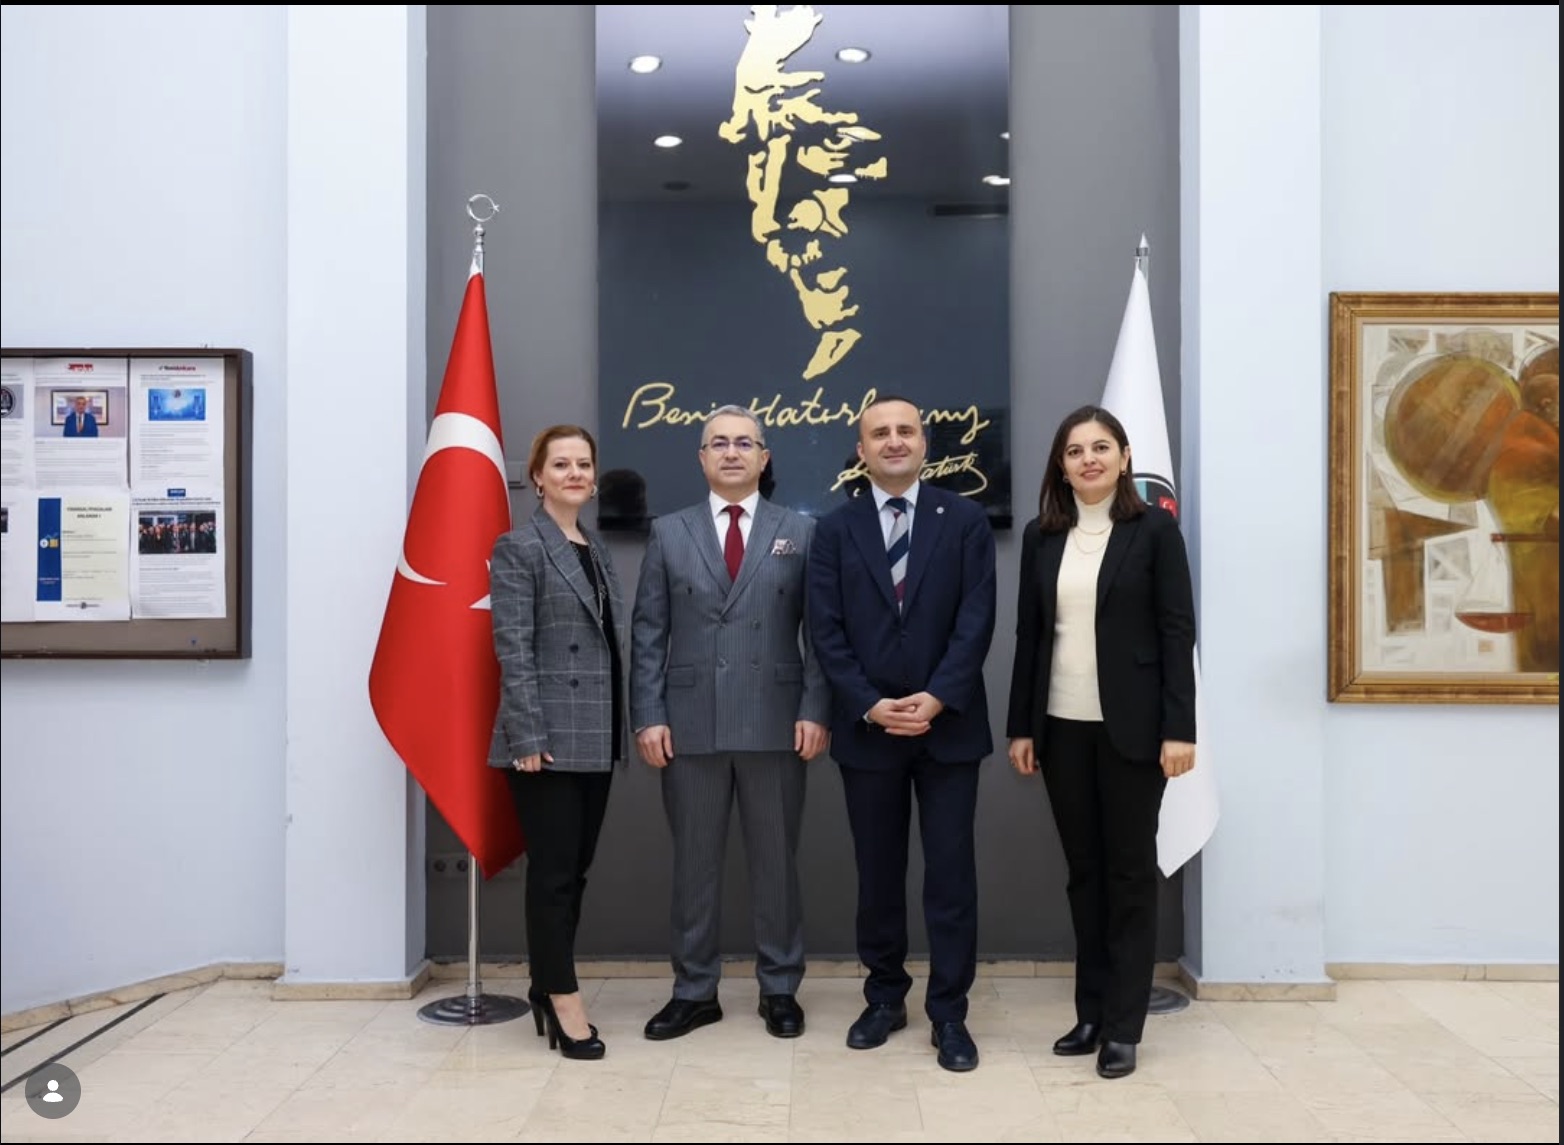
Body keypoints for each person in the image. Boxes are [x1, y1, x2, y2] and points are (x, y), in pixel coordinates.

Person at [805, 394, 996, 1073]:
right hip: (869, 732)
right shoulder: (833, 529)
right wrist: (869, 703)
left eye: (905, 430)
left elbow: (976, 619)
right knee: (878, 875)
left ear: (924, 443)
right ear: (861, 449)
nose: (892, 441)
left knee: (950, 877)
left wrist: (938, 697)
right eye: (878, 432)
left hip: (949, 730)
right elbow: (824, 628)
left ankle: (950, 1013)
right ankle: (885, 996)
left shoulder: (966, 520)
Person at [1005, 405, 1196, 1081]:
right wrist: (1021, 726)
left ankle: (1123, 1024)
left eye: (1101, 447)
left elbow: (1178, 633)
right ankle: (1089, 1012)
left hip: (1137, 733)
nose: (1088, 458)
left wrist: (1181, 728)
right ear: (1061, 464)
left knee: (1130, 876)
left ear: (1122, 456)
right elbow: (1031, 636)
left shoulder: (1155, 531)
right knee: (1084, 875)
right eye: (1075, 450)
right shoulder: (1040, 535)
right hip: (1060, 729)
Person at [631, 404, 830, 1041]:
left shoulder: (800, 531)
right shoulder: (669, 532)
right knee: (694, 866)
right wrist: (648, 715)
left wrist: (815, 708)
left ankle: (780, 988)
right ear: (701, 457)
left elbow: (820, 635)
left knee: (778, 863)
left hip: (777, 722)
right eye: (718, 443)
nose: (732, 452)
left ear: (765, 456)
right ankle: (694, 991)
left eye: (745, 442)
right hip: (688, 726)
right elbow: (647, 634)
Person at [488, 424, 626, 1062]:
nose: (574, 473)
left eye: (583, 464)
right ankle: (562, 996)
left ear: (594, 478)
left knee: (575, 870)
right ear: (537, 476)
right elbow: (512, 648)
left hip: (594, 732)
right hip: (543, 737)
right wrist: (527, 734)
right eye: (560, 464)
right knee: (552, 876)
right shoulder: (519, 548)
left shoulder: (592, 548)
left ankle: (548, 983)